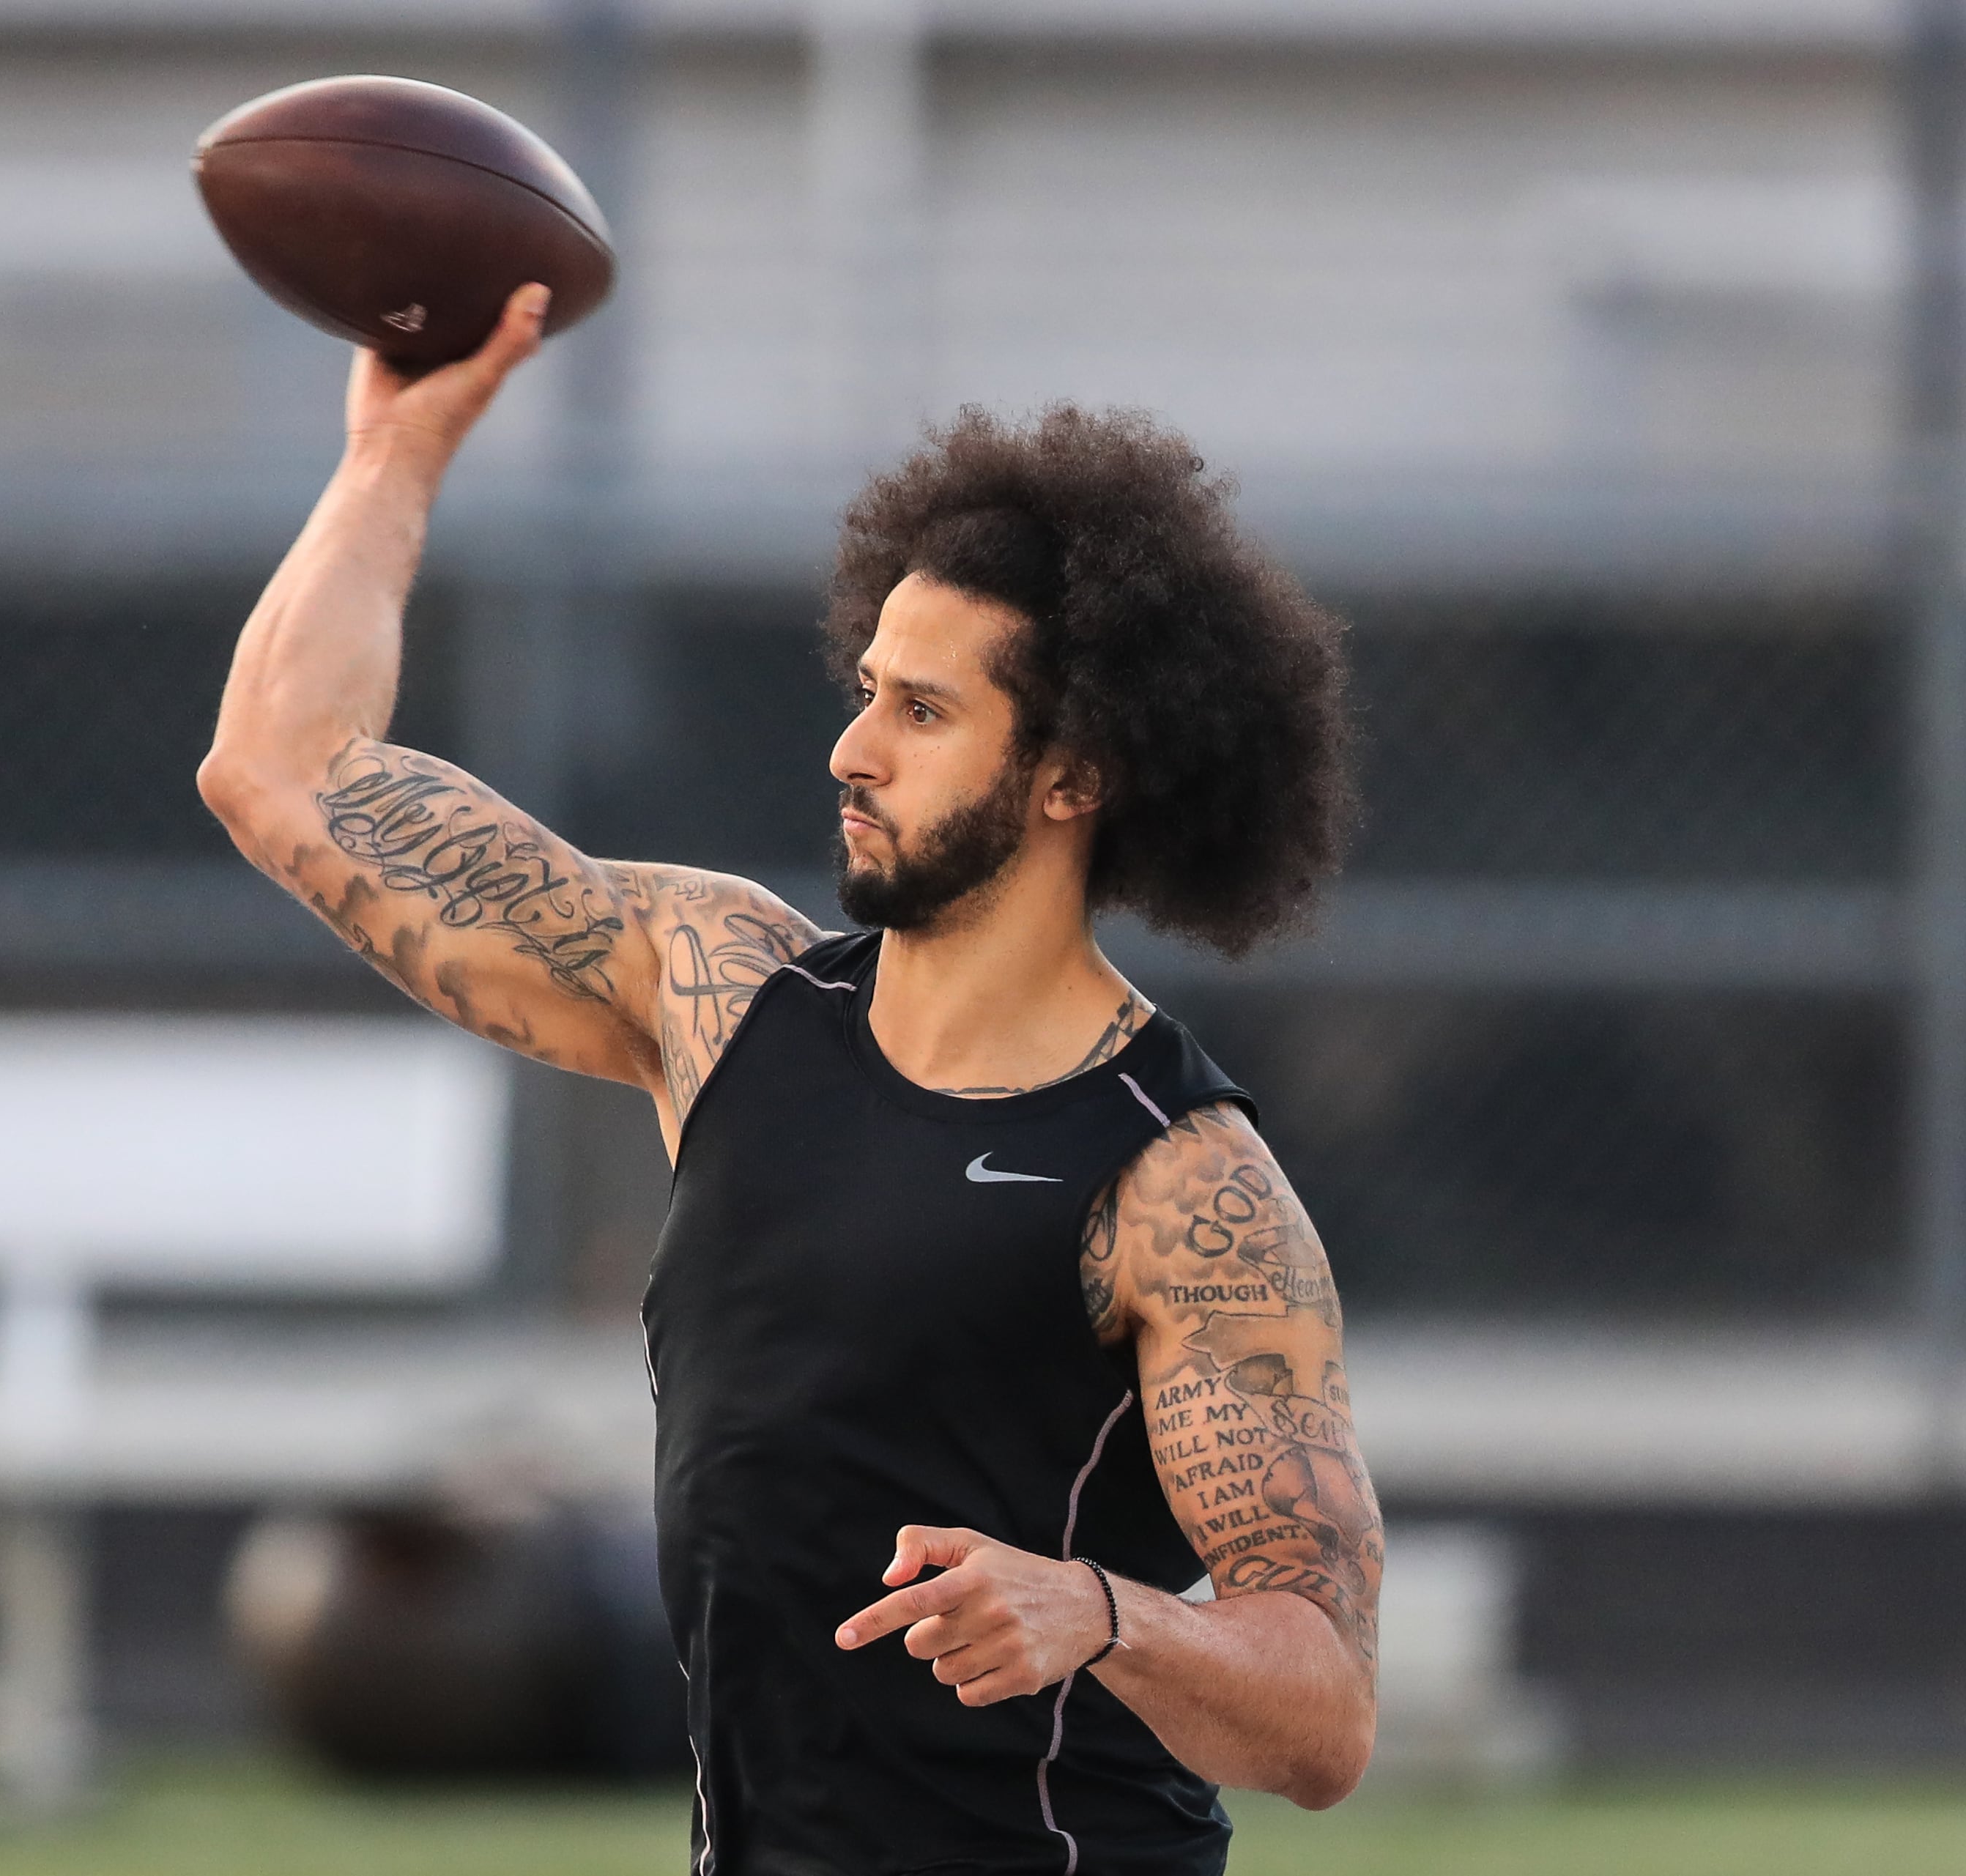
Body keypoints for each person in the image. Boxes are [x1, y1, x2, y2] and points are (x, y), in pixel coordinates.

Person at [199, 283, 1381, 1876]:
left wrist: (1098, 1613)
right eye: (864, 689)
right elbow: (280, 771)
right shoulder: (718, 994)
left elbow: (1323, 1719)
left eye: (922, 710)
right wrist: (396, 455)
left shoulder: (1181, 1186)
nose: (852, 748)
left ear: (1071, 777)